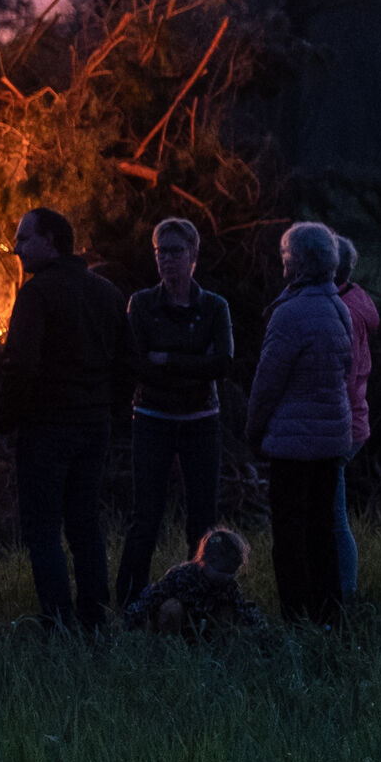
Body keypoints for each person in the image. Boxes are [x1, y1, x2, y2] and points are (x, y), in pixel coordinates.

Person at [0, 207, 130, 630]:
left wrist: (6, 419)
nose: (16, 249)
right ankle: (95, 618)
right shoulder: (106, 292)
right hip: (93, 427)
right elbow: (129, 362)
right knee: (85, 523)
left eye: (23, 239)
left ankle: (57, 621)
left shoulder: (38, 294)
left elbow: (21, 364)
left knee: (43, 527)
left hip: (47, 429)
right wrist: (112, 413)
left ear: (50, 241)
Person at [117, 217, 237, 610]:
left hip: (200, 422)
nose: (167, 260)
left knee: (202, 518)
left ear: (193, 257)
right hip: (152, 419)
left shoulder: (214, 306)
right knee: (145, 517)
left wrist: (167, 359)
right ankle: (131, 604)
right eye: (160, 252)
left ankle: (201, 602)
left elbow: (221, 364)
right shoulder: (143, 303)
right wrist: (192, 367)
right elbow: (135, 363)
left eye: (175, 251)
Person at [245, 221, 357, 626]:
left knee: (290, 535)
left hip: (293, 445)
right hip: (332, 440)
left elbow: (267, 382)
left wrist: (253, 429)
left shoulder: (289, 314)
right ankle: (330, 614)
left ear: (297, 262)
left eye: (285, 257)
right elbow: (349, 369)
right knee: (323, 531)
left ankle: (296, 616)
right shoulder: (339, 308)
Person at [332, 235, 381, 597]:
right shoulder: (356, 299)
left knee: (333, 517)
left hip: (341, 425)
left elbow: (342, 378)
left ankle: (343, 593)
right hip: (354, 423)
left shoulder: (342, 311)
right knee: (333, 513)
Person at [125, 525, 267, 637]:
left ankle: (217, 647)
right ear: (205, 561)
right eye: (221, 572)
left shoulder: (228, 585)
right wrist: (129, 625)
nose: (226, 577)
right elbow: (151, 598)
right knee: (171, 607)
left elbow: (245, 610)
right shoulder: (181, 577)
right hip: (178, 625)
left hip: (204, 628)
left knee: (229, 611)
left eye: (231, 573)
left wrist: (265, 634)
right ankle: (168, 645)